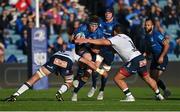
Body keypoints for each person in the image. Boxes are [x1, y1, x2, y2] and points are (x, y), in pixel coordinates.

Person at [75, 25, 164, 102]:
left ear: (114, 31)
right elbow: (117, 49)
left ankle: (129, 96)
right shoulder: (127, 37)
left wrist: (87, 40)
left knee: (117, 79)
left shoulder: (116, 38)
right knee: (147, 78)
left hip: (133, 60)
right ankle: (159, 95)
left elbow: (104, 42)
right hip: (140, 58)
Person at [4, 49, 107, 102]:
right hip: (66, 61)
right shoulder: (75, 55)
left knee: (35, 77)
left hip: (54, 58)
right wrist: (100, 71)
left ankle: (15, 95)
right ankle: (59, 92)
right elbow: (89, 63)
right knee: (69, 82)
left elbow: (55, 63)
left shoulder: (59, 51)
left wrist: (57, 70)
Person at [87, 8, 119, 100]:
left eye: (109, 13)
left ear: (112, 14)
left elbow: (118, 38)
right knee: (94, 67)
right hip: (100, 49)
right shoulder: (100, 21)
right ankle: (93, 86)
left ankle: (102, 90)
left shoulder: (116, 25)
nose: (107, 14)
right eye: (106, 13)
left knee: (104, 73)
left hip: (110, 52)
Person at [71, 15, 105, 101]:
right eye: (92, 25)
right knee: (88, 57)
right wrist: (77, 40)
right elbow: (72, 39)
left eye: (95, 26)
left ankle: (75, 92)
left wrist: (96, 48)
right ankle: (78, 76)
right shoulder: (82, 28)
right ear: (88, 24)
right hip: (81, 48)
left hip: (92, 50)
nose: (94, 28)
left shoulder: (100, 32)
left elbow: (100, 46)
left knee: (88, 73)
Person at [144, 18, 171, 99]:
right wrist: (145, 55)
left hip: (161, 58)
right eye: (145, 25)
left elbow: (167, 45)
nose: (146, 27)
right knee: (152, 78)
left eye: (148, 25)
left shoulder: (157, 34)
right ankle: (165, 90)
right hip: (154, 58)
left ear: (152, 26)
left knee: (155, 77)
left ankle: (158, 94)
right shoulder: (146, 37)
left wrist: (162, 56)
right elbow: (149, 50)